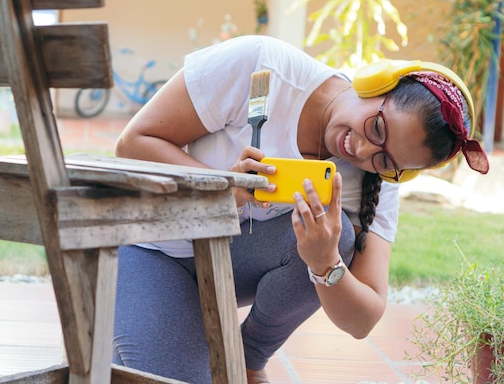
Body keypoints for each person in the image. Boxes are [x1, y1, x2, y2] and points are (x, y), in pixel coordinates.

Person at [112, 35, 490, 383]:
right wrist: (222, 187)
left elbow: (365, 318)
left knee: (336, 235)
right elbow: (134, 142)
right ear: (378, 83)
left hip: (224, 263)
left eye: (385, 159)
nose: (361, 151)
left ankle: (246, 359)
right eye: (376, 127)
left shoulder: (374, 178)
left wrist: (325, 263)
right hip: (150, 247)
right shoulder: (261, 65)